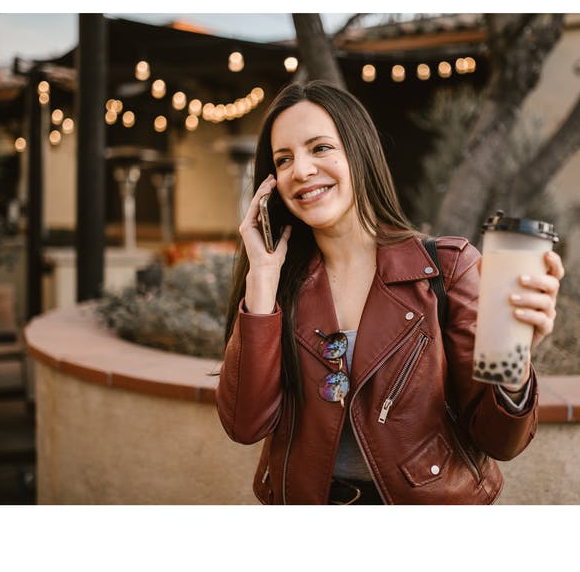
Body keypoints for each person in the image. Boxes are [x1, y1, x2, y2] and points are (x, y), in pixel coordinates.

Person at [215, 81, 564, 504]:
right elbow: (245, 425)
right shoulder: (276, 287)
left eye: (320, 148)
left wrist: (516, 359)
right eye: (284, 159)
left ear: (359, 152)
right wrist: (262, 280)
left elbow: (499, 441)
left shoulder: (445, 268)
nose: (301, 170)